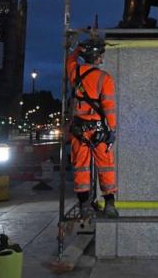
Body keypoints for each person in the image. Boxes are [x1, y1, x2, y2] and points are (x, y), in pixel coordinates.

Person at [66, 38, 119, 218]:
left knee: (81, 168)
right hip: (99, 131)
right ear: (97, 58)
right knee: (106, 166)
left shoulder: (75, 73)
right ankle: (109, 203)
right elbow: (109, 108)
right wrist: (111, 131)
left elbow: (70, 61)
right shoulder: (105, 79)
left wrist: (77, 49)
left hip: (78, 130)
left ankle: (84, 205)